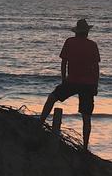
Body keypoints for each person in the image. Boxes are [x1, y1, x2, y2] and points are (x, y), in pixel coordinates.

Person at [39, 18, 100, 149]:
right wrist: (96, 84)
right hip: (88, 84)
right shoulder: (92, 45)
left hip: (72, 81)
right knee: (86, 116)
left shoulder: (70, 42)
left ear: (76, 32)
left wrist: (63, 79)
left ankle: (40, 123)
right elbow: (96, 68)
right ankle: (85, 146)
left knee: (52, 98)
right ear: (87, 32)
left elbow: (63, 63)